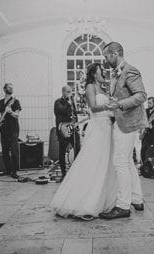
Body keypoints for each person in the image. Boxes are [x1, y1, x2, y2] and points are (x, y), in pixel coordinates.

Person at [50, 63, 119, 221]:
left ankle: (105, 198)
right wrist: (110, 106)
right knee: (92, 161)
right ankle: (86, 201)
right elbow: (94, 108)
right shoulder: (90, 87)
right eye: (101, 72)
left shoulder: (103, 88)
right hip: (98, 128)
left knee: (106, 163)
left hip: (107, 127)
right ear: (94, 73)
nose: (104, 74)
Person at [99, 42, 149, 220]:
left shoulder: (130, 70)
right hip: (121, 121)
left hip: (128, 122)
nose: (105, 60)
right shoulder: (116, 73)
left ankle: (122, 206)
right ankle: (137, 199)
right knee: (127, 162)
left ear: (115, 53)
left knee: (119, 162)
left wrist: (119, 104)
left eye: (107, 56)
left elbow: (141, 95)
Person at [54, 85, 82, 180]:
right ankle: (63, 173)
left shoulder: (71, 101)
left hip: (73, 129)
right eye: (68, 92)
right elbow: (62, 111)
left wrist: (77, 126)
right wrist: (69, 104)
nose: (71, 94)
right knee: (62, 152)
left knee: (77, 148)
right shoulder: (58, 102)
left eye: (71, 91)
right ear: (63, 92)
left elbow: (74, 114)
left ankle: (77, 171)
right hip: (63, 131)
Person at [0, 83, 21, 179]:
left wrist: (10, 111)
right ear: (4, 89)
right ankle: (7, 170)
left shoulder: (15, 101)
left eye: (12, 87)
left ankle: (14, 171)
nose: (11, 89)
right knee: (5, 150)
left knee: (14, 150)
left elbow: (17, 115)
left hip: (13, 129)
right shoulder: (0, 102)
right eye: (9, 87)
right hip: (3, 128)